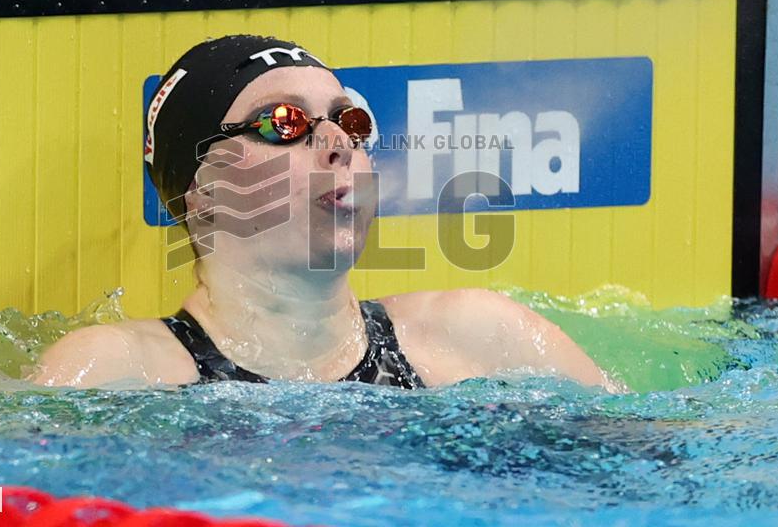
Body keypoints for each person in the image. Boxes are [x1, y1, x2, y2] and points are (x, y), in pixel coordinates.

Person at [31, 35, 620, 392]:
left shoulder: (482, 339)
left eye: (351, 121)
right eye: (281, 122)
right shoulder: (115, 371)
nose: (337, 141)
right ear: (200, 192)